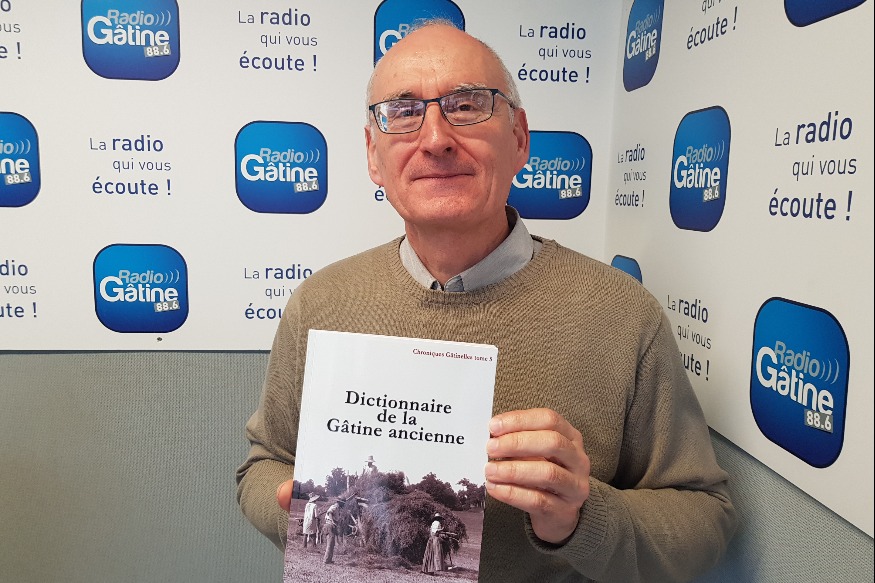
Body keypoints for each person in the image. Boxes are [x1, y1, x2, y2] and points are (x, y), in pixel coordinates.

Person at [236, 21, 737, 582]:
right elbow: (262, 465)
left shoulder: (623, 315)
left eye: (467, 105)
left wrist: (581, 517)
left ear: (519, 138)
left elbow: (705, 519)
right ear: (373, 155)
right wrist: (306, 515)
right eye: (403, 112)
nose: (435, 138)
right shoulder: (320, 305)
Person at [321, 498, 343, 565]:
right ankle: (325, 560)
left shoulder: (338, 508)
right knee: (330, 543)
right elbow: (330, 512)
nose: (343, 505)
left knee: (332, 544)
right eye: (343, 503)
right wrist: (332, 521)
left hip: (332, 526)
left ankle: (329, 560)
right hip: (329, 525)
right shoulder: (334, 506)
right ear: (340, 502)